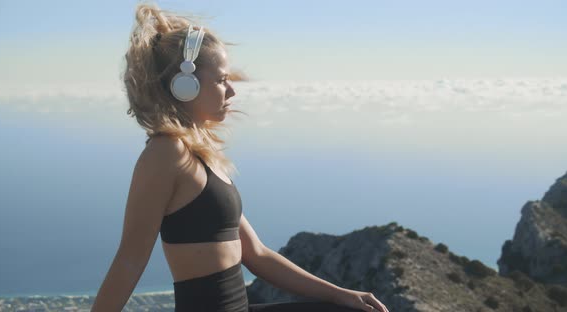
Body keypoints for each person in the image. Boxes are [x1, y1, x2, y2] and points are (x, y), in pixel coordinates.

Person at [91, 2, 390, 312]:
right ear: (185, 86)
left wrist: (340, 294)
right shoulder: (165, 154)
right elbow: (129, 260)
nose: (231, 91)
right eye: (221, 80)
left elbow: (256, 254)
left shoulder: (201, 154)